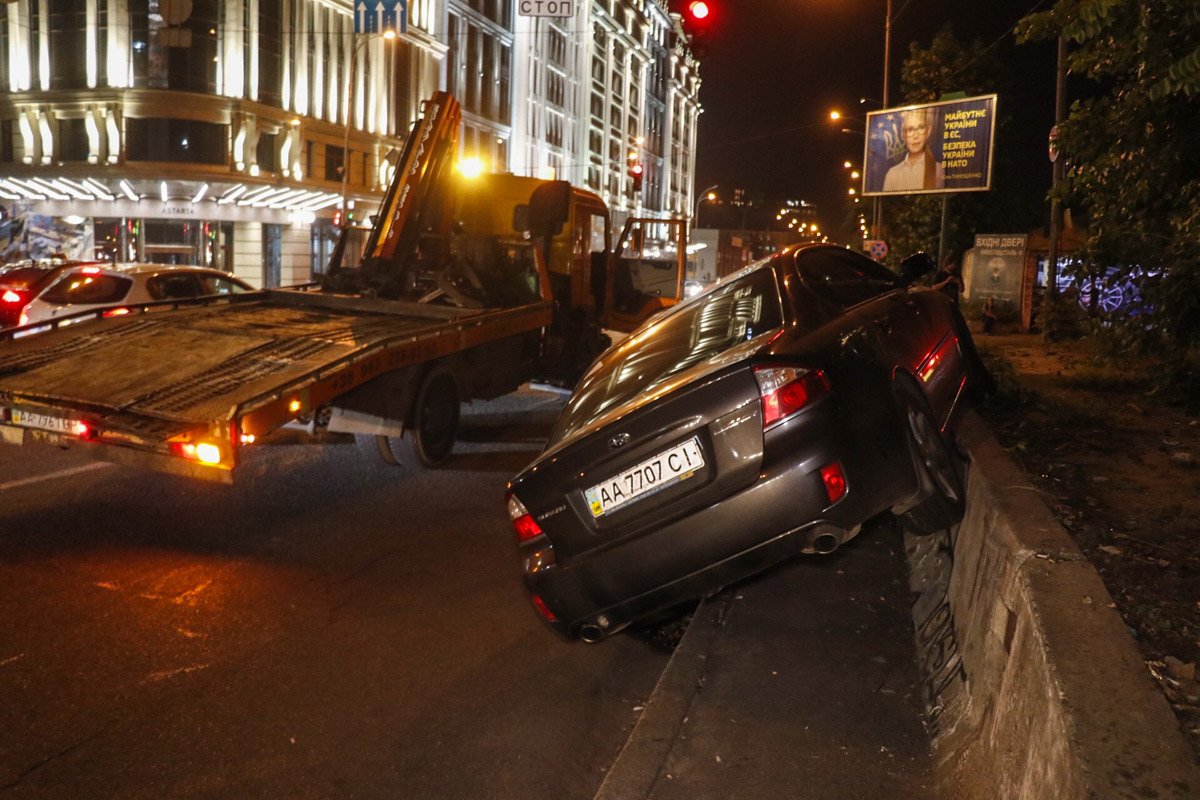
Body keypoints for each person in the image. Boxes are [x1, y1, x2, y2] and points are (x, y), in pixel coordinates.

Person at [882, 108, 944, 192]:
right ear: (904, 135)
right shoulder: (892, 174)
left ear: (928, 131)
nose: (915, 136)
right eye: (910, 129)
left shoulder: (938, 169)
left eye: (921, 127)